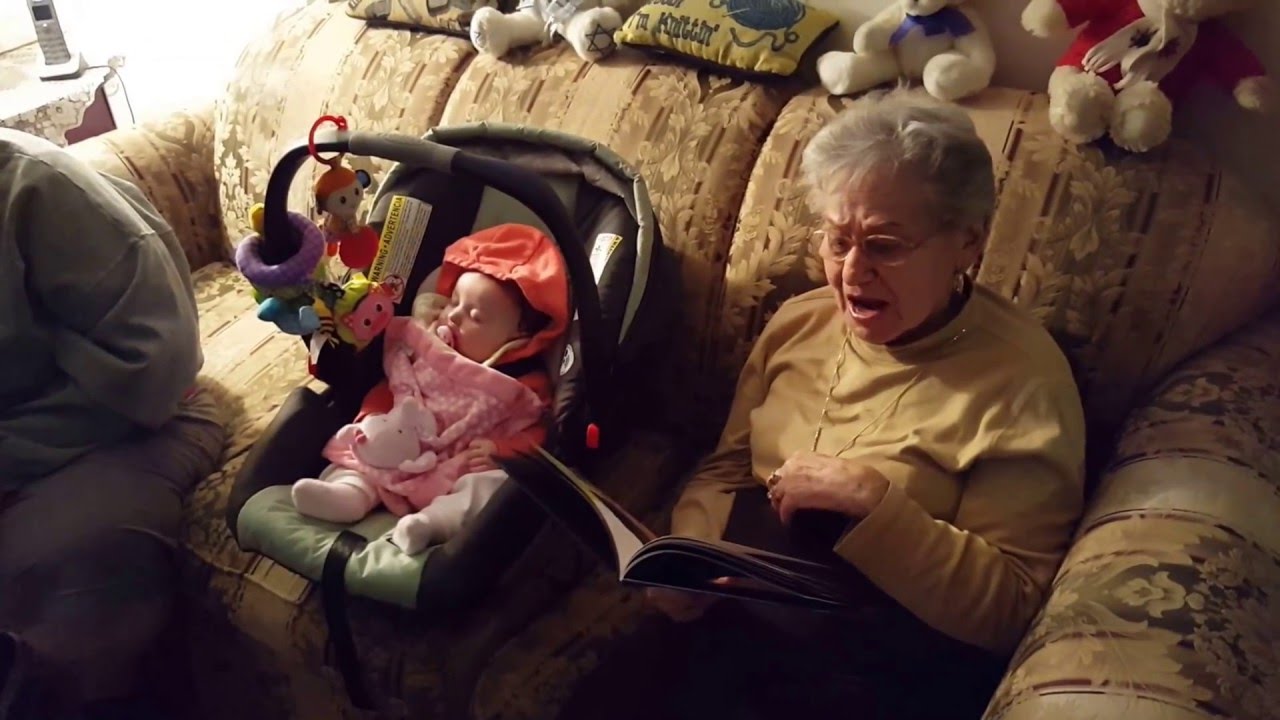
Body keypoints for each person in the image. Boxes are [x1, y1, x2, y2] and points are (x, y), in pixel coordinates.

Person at [557, 89, 1087, 719]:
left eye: (886, 245)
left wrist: (875, 506)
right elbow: (727, 467)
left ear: (968, 244)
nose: (851, 273)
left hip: (874, 664)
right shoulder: (800, 323)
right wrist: (689, 557)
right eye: (838, 240)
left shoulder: (1024, 379)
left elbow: (1012, 608)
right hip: (736, 617)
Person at [0, 129, 225, 719]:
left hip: (137, 415)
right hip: (25, 433)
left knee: (54, 570)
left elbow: (154, 367)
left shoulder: (39, 188)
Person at [290, 223, 568, 555]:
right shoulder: (426, 343)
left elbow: (536, 433)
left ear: (518, 335)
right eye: (454, 303)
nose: (455, 317)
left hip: (459, 462)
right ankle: (348, 494)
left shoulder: (523, 384)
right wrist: (374, 416)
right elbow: (393, 382)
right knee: (361, 450)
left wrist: (501, 450)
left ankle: (432, 524)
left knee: (491, 484)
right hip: (399, 439)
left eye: (475, 316)